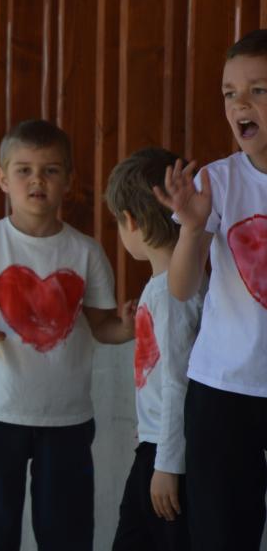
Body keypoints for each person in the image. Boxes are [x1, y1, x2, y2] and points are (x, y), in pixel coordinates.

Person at [0, 119, 131, 550]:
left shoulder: (86, 251)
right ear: (2, 178)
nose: (37, 180)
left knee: (66, 533)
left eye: (50, 170)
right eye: (24, 170)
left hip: (67, 415)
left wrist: (128, 326)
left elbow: (102, 326)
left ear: (69, 180)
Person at [155, 29, 267, 550]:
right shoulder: (217, 182)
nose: (240, 104)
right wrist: (193, 228)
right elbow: (181, 288)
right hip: (223, 388)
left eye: (258, 90)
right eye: (229, 93)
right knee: (221, 535)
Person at [106, 148, 202, 550]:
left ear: (130, 220)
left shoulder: (170, 294)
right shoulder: (163, 287)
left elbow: (178, 381)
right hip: (157, 445)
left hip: (169, 458)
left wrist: (166, 464)